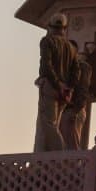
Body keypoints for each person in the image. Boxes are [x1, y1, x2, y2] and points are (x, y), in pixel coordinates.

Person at [34, 13, 79, 151]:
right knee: (55, 123)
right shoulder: (71, 47)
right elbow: (76, 71)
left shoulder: (47, 41)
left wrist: (58, 83)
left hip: (51, 86)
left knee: (48, 123)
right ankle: (50, 156)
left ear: (50, 27)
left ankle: (61, 152)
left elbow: (46, 65)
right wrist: (69, 88)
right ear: (64, 29)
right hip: (64, 91)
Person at [59, 39, 92, 150]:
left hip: (74, 110)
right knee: (63, 145)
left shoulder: (82, 67)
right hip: (66, 110)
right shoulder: (65, 67)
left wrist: (75, 111)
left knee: (72, 146)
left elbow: (83, 90)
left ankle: (78, 162)